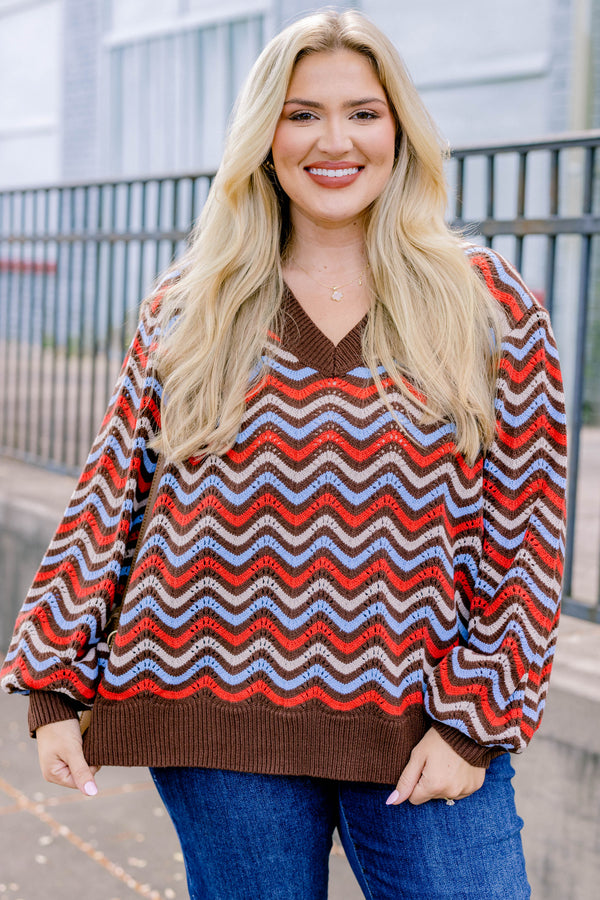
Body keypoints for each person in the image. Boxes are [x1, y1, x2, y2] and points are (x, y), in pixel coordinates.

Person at [1, 10, 567, 900]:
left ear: (400, 131)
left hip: (423, 719)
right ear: (263, 137)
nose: (333, 140)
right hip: (214, 706)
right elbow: (113, 496)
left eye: (362, 113)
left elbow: (525, 536)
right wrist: (54, 685)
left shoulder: (487, 307)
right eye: (301, 113)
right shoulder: (193, 307)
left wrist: (475, 722)